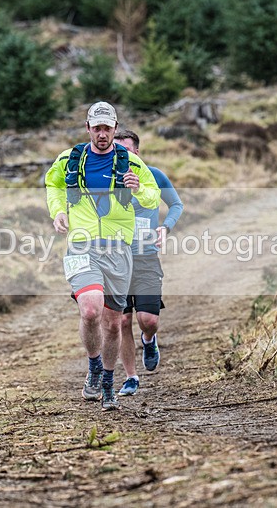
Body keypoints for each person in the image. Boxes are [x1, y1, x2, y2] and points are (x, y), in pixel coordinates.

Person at [45, 102, 159, 411]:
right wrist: (57, 212)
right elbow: (53, 184)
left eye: (107, 128)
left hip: (118, 249)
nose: (102, 134)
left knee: (112, 324)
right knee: (91, 310)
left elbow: (153, 194)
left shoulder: (130, 162)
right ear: (88, 128)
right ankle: (94, 366)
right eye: (97, 128)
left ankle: (108, 380)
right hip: (82, 245)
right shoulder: (70, 160)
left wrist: (138, 190)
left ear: (115, 128)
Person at [114, 130, 183, 397]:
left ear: (137, 153)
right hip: (115, 258)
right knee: (122, 321)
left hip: (145, 256)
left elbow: (176, 204)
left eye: (126, 151)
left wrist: (165, 227)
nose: (121, 157)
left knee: (148, 319)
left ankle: (149, 339)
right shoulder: (106, 180)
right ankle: (131, 377)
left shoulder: (153, 175)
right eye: (116, 152)